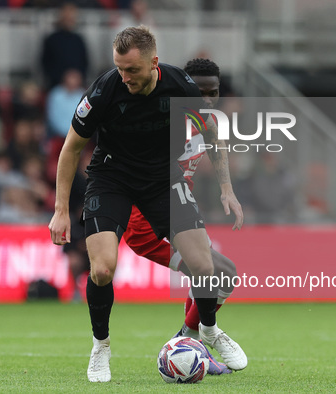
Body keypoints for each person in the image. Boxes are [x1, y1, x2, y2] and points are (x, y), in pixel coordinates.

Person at [48, 26, 247, 382]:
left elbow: (212, 135)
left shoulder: (181, 86)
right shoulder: (105, 89)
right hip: (111, 180)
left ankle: (209, 331)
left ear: (154, 63)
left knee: (206, 266)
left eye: (132, 70)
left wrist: (226, 190)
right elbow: (71, 148)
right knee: (102, 270)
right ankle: (101, 346)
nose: (125, 77)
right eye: (120, 68)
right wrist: (61, 208)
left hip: (162, 182)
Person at [121, 58, 237, 375]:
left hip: (174, 212)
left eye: (212, 92)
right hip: (146, 226)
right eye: (198, 91)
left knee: (214, 275)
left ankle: (190, 347)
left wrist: (227, 189)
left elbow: (216, 141)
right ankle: (189, 342)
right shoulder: (162, 118)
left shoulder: (207, 119)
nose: (206, 98)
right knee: (218, 273)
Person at [41, 2, 89, 90]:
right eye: (66, 14)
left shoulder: (79, 40)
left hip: (77, 87)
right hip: (57, 87)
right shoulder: (51, 39)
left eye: (72, 14)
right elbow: (45, 64)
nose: (69, 17)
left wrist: (77, 78)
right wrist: (63, 79)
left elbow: (85, 63)